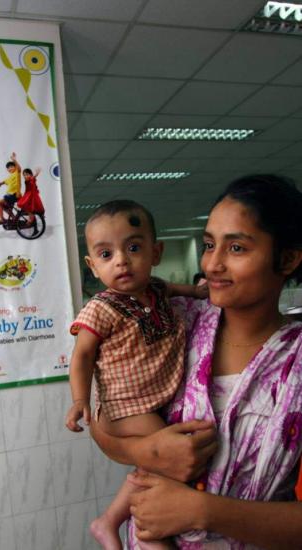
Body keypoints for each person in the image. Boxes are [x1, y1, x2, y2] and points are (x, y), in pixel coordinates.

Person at [91, 174, 302, 549]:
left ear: (286, 258)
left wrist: (202, 510)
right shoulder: (170, 322)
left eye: (236, 248)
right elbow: (104, 421)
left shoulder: (295, 360)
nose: (213, 265)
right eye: (209, 245)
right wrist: (146, 452)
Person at [65, 200, 207, 549]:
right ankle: (147, 534)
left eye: (133, 247)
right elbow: (82, 356)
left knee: (151, 468)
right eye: (106, 254)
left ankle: (108, 522)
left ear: (155, 252)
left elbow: (178, 289)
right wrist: (80, 400)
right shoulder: (100, 309)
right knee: (171, 456)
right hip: (124, 409)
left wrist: (199, 291)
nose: (121, 260)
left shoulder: (157, 289)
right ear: (92, 266)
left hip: (152, 402)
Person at [0, 152, 21, 223]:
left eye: (12, 166)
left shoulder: (16, 174)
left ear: (15, 167)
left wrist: (14, 160)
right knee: (4, 206)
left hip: (15, 195)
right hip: (10, 195)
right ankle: (14, 218)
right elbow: (3, 182)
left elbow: (19, 168)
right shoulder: (10, 177)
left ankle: (1, 219)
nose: (10, 168)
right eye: (8, 168)